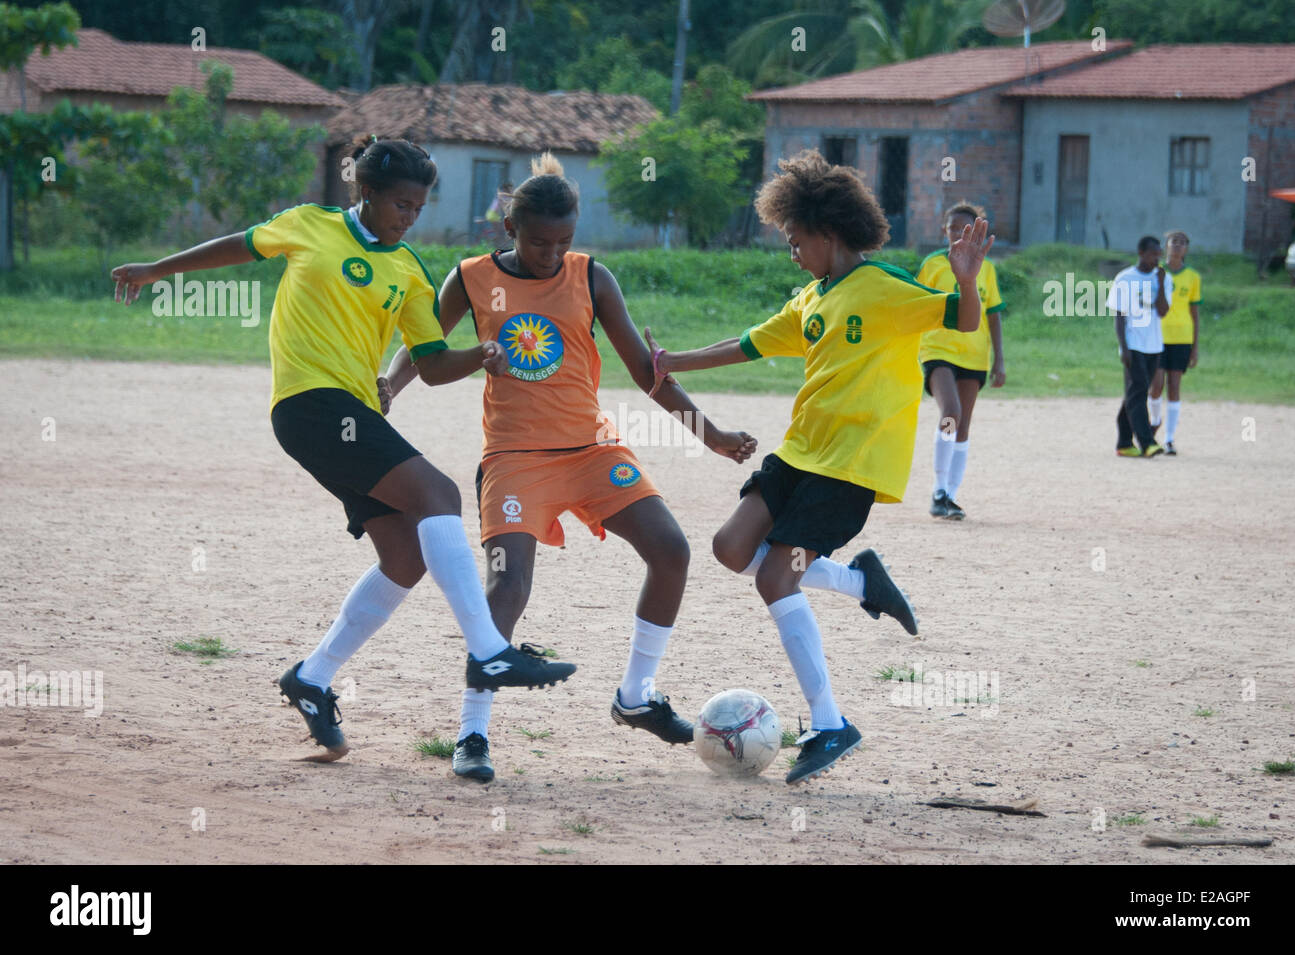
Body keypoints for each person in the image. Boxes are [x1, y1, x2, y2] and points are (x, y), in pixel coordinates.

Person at [109, 137, 575, 762]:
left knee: (406, 558)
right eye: (401, 202)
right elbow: (237, 247)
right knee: (438, 494)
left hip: (353, 411)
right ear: (368, 191)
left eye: (419, 205)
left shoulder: (409, 268)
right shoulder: (310, 225)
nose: (409, 215)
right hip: (308, 403)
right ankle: (490, 650)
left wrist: (480, 356)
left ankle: (312, 677)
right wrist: (157, 269)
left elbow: (433, 365)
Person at [384, 152, 756, 783]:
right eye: (537, 242)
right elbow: (423, 348)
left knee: (671, 549)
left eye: (563, 242)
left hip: (591, 450)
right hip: (514, 458)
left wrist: (710, 434)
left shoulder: (592, 278)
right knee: (508, 585)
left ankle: (635, 697)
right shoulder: (471, 278)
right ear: (510, 230)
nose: (551, 255)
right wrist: (390, 385)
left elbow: (646, 372)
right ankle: (472, 735)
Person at [645, 150, 992, 785]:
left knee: (776, 579)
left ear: (828, 234)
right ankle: (861, 583)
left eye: (795, 239)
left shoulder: (885, 288)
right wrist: (673, 361)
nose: (791, 251)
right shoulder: (811, 297)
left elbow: (963, 320)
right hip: (801, 455)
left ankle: (830, 722)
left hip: (851, 468)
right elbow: (747, 344)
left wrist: (966, 280)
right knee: (729, 547)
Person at [916, 201, 1007, 520]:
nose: (958, 233)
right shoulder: (932, 264)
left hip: (975, 353)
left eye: (965, 228)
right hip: (938, 349)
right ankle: (938, 490)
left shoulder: (988, 268)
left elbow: (993, 314)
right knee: (950, 412)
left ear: (977, 232)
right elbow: (918, 305)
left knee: (963, 424)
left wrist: (999, 360)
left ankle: (950, 497)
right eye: (953, 227)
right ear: (945, 230)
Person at [1109, 236, 1172, 457]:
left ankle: (1124, 443)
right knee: (1138, 391)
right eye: (1153, 254)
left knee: (1135, 393)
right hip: (1133, 344)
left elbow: (1163, 312)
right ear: (1141, 253)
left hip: (1154, 344)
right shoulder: (1125, 279)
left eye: (1159, 254)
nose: (1157, 258)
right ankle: (1147, 443)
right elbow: (1119, 316)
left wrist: (1162, 283)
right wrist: (1124, 347)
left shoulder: (1164, 278)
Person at [1147, 230, 1200, 455]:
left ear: (1186, 248)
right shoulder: (1155, 273)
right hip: (1158, 336)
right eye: (1173, 242)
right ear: (1166, 246)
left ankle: (1169, 440)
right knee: (1156, 384)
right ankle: (1154, 423)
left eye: (1182, 243)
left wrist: (1195, 346)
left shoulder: (1192, 277)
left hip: (1182, 337)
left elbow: (1195, 313)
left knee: (1175, 386)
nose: (1177, 246)